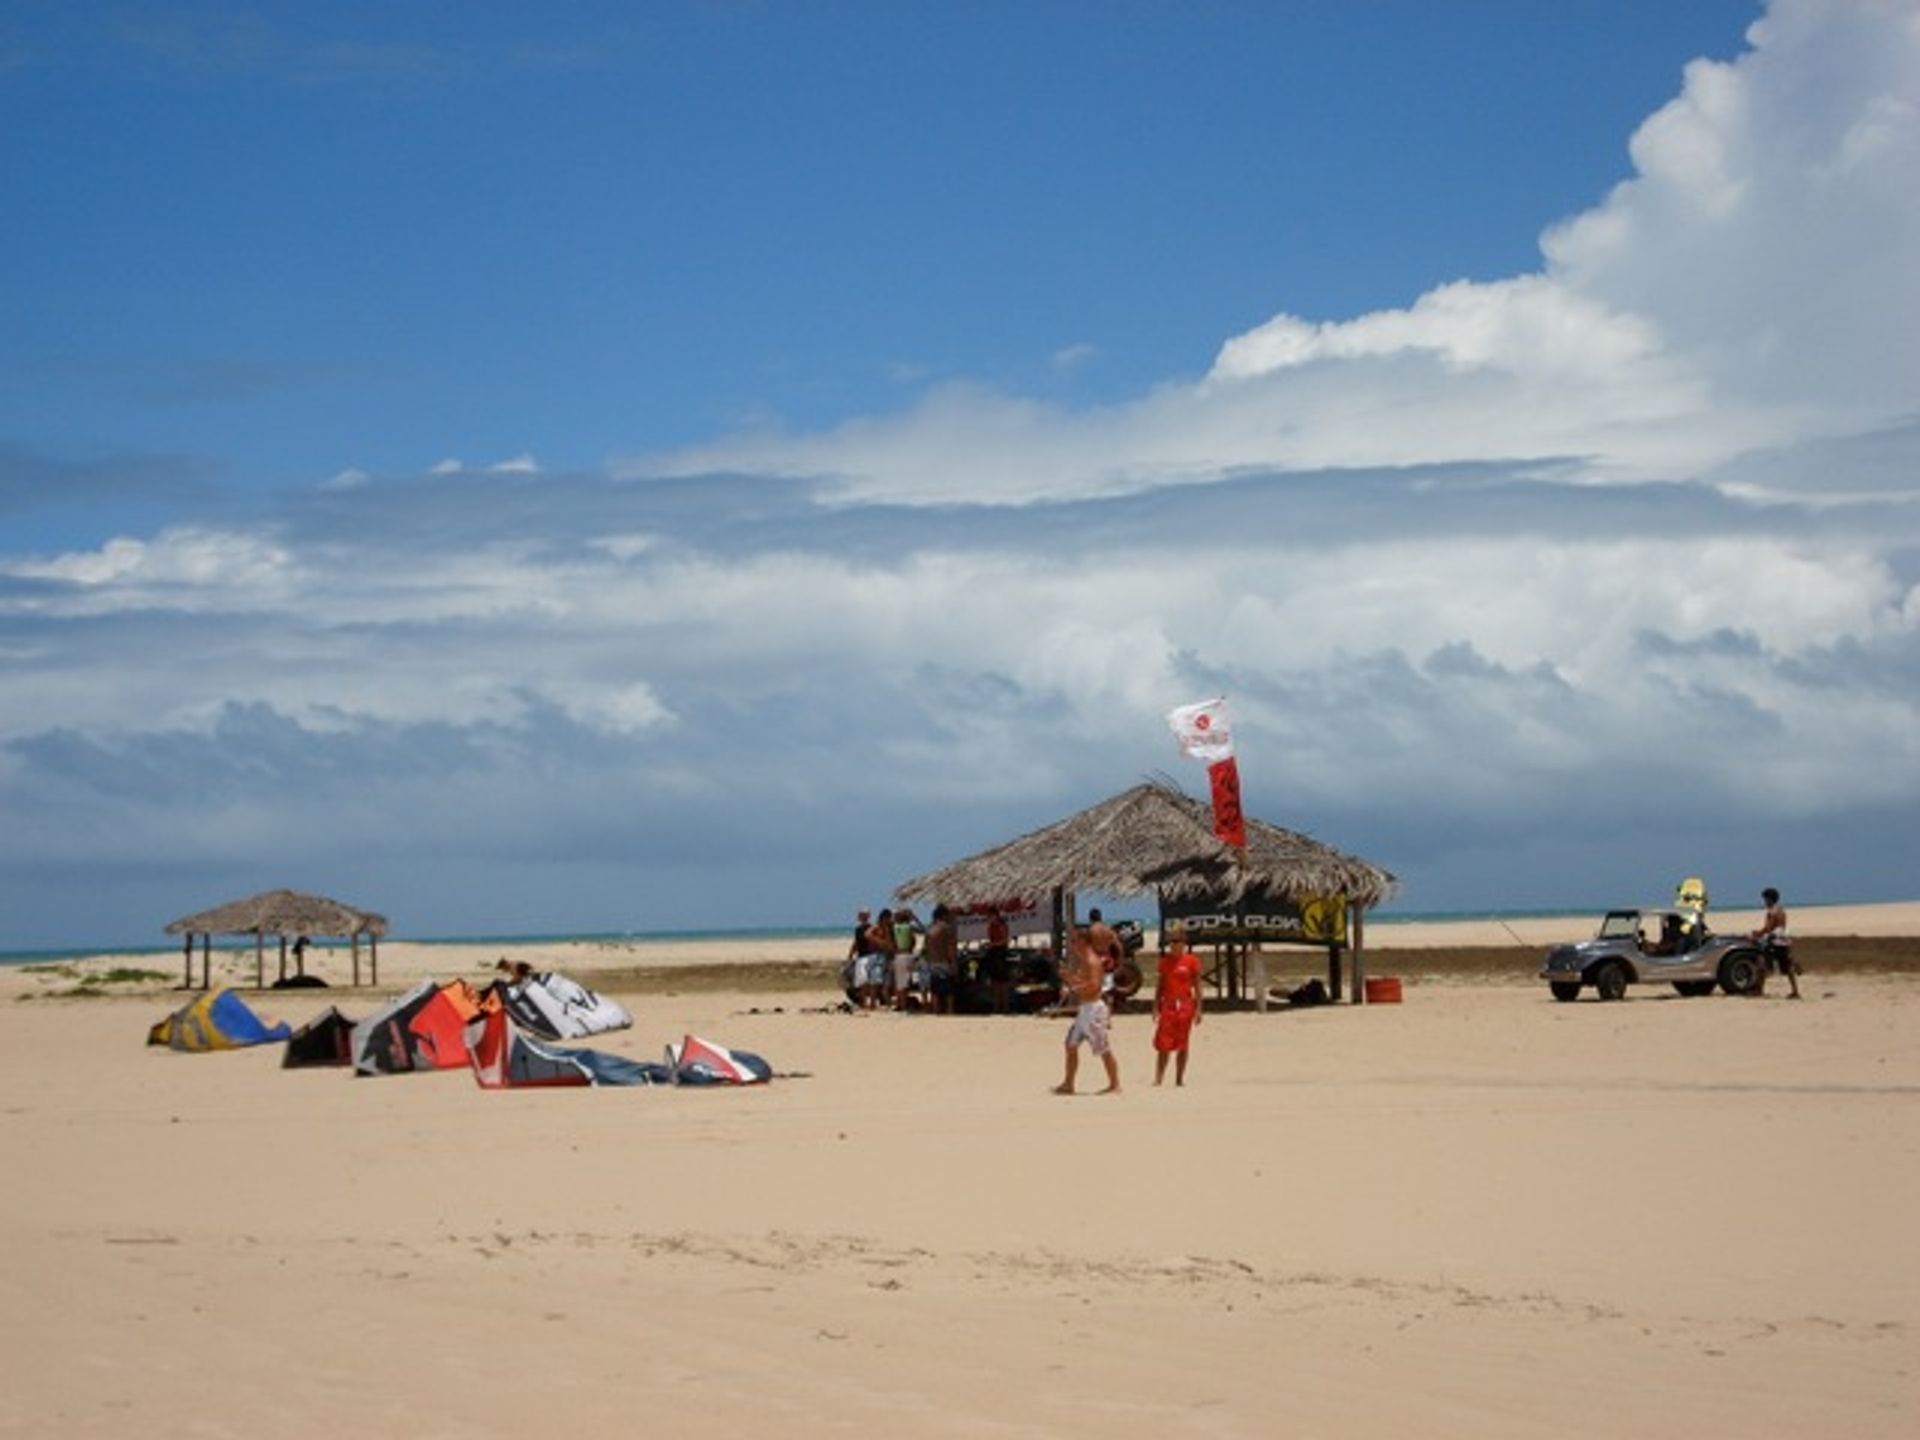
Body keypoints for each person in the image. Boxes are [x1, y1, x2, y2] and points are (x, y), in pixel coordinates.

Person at [1054, 927, 1120, 1096]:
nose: (1072, 944)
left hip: (1093, 1010)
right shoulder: (1084, 961)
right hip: (1085, 1009)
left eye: (1075, 941)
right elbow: (1082, 982)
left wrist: (1073, 988)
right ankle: (1068, 1083)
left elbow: (1094, 986)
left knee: (1103, 1048)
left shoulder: (1092, 961)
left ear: (1084, 942)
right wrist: (1068, 978)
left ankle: (1115, 1084)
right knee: (1070, 1044)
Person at [1152, 925, 1203, 1086]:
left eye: (1176, 941)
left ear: (1183, 942)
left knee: (1183, 1043)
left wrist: (1199, 1009)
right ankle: (1159, 1078)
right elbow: (1160, 986)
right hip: (1168, 1005)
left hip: (1185, 1005)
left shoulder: (1191, 961)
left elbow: (1198, 986)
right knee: (1163, 1043)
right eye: (1170, 941)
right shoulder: (1165, 962)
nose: (1172, 944)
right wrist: (1155, 1007)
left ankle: (1179, 1079)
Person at [1750, 887, 1799, 999]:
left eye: (1765, 899)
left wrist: (1757, 933)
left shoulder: (1772, 912)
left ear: (1770, 899)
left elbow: (1768, 928)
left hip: (1775, 941)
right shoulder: (1781, 910)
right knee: (1788, 967)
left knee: (1762, 963)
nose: (1764, 902)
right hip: (1784, 940)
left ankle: (1759, 990)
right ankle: (1795, 991)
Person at [923, 904, 959, 1013]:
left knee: (935, 988)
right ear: (944, 915)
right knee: (949, 988)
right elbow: (950, 947)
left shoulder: (930, 929)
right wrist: (953, 962)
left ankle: (936, 1009)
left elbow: (926, 947)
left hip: (932, 961)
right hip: (944, 961)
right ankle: (949, 1009)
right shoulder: (946, 928)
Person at [982, 909, 1013, 1014]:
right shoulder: (990, 926)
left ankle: (1005, 1007)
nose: (989, 919)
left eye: (990, 916)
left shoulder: (1002, 925)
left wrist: (993, 944)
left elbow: (1005, 941)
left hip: (1001, 953)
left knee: (1003, 982)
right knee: (995, 982)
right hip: (993, 953)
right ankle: (996, 1006)